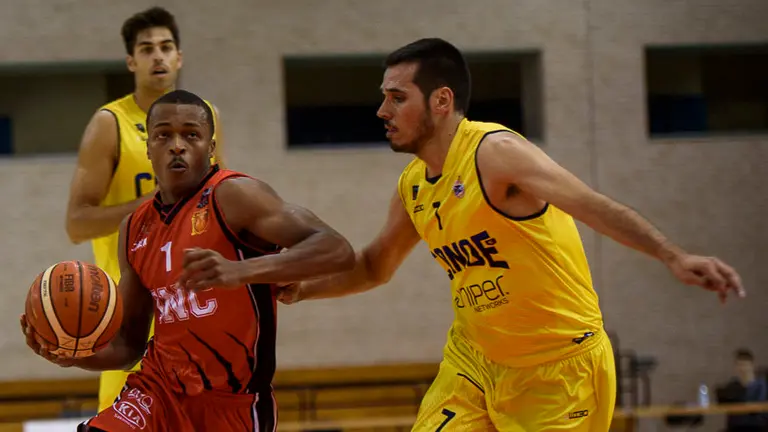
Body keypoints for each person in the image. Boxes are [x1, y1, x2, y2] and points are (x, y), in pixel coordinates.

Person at [277, 38, 746, 431]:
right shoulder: (413, 187)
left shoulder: (495, 153)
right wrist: (303, 290)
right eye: (384, 96)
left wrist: (672, 255)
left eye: (397, 97)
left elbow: (592, 206)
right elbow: (374, 266)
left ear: (441, 101)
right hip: (474, 363)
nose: (382, 110)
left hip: (559, 369)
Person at [24, 89, 355, 431]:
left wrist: (241, 271)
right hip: (157, 393)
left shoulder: (235, 195)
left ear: (211, 148)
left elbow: (336, 249)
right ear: (149, 148)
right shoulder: (134, 228)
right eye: (164, 135)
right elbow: (128, 345)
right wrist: (73, 355)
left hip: (231, 404)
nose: (177, 145)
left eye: (191, 135)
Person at [64, 6, 226, 413]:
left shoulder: (206, 117)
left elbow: (218, 203)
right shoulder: (110, 123)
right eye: (147, 48)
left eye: (166, 47)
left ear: (179, 58)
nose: (158, 56)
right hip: (132, 312)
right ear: (131, 61)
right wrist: (151, 205)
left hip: (191, 307)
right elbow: (76, 223)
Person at [718, 349, 768, 431]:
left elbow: (758, 407)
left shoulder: (761, 384)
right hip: (735, 426)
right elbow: (724, 404)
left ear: (751, 366)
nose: (742, 368)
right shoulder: (733, 385)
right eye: (739, 365)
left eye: (744, 365)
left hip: (756, 425)